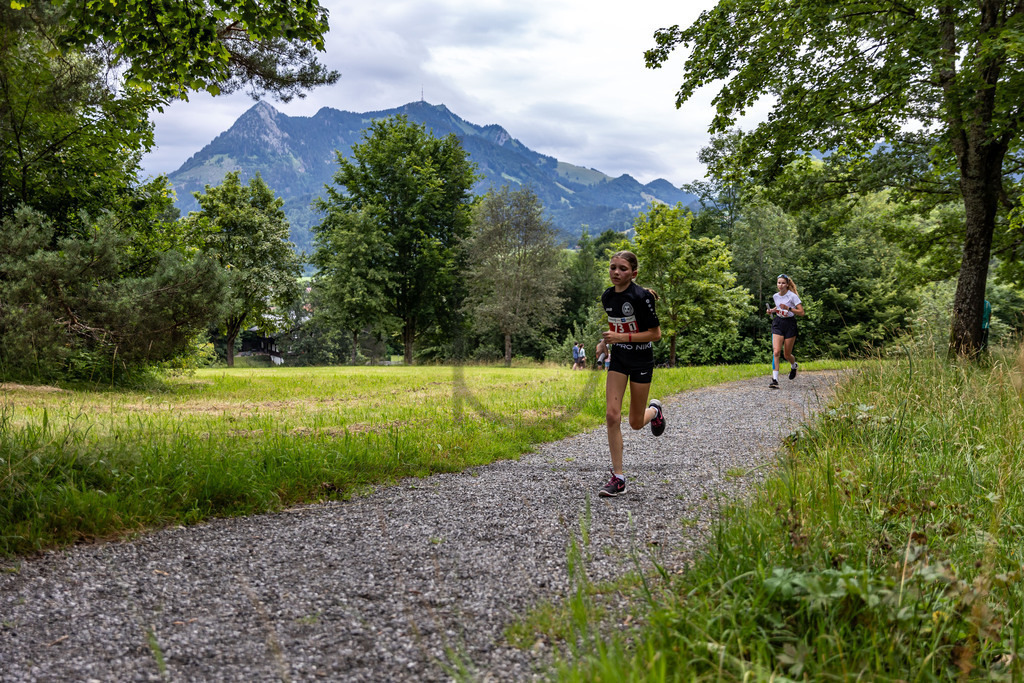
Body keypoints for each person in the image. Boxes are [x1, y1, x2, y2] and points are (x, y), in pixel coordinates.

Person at [598, 250, 665, 497]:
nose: (616, 272)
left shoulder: (642, 297)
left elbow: (655, 334)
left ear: (633, 273)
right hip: (619, 359)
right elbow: (615, 324)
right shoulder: (607, 296)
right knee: (611, 415)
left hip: (641, 361)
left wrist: (620, 337)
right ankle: (619, 478)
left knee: (635, 423)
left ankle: (655, 411)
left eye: (623, 269)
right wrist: (604, 343)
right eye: (613, 267)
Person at [767, 273, 805, 389]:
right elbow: (778, 308)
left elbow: (801, 313)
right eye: (779, 283)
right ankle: (775, 380)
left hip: (790, 324)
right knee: (776, 351)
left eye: (783, 283)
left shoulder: (792, 296)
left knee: (786, 354)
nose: (781, 285)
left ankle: (793, 365)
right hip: (778, 323)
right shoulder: (775, 296)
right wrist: (772, 311)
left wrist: (788, 308)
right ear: (777, 284)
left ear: (787, 284)